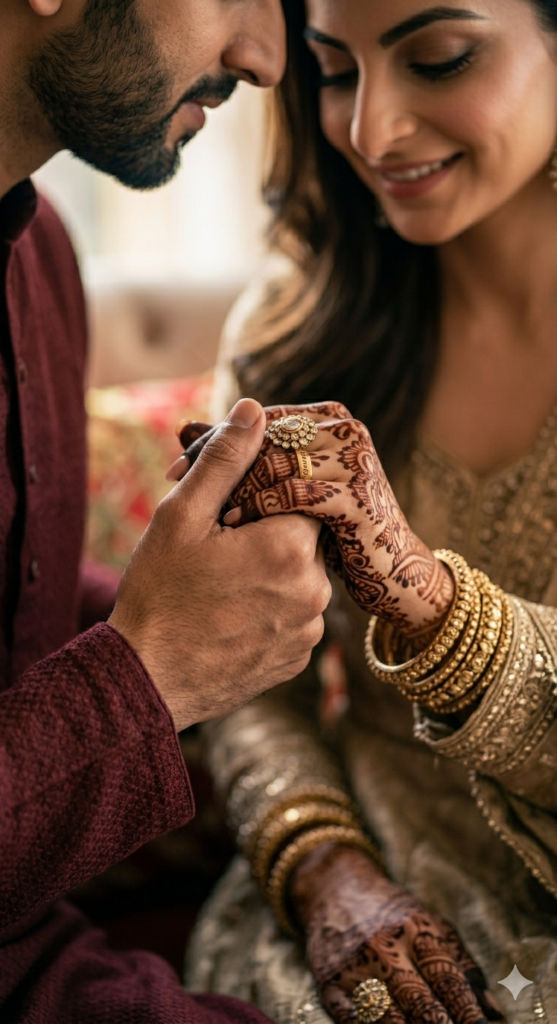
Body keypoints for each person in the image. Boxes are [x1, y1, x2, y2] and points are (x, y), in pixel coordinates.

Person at [182, 1, 557, 1022]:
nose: (368, 129)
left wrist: (428, 603)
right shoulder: (291, 330)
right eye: (334, 70)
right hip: (363, 883)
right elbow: (245, 676)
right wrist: (320, 866)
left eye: (437, 59)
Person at [0, 0, 333, 1021]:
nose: (264, 58)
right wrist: (151, 671)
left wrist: (210, 618)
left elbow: (16, 627)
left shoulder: (40, 257)